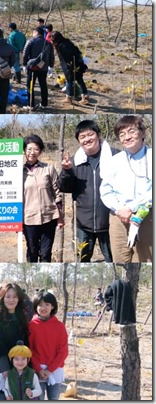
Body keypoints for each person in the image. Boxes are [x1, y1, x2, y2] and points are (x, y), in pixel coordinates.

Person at [57, 120, 118, 262]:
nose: (87, 139)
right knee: (81, 260)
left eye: (90, 134)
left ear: (99, 135)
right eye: (82, 137)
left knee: (114, 260)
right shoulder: (74, 162)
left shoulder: (116, 156)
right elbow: (64, 187)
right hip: (82, 223)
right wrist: (66, 171)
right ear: (78, 141)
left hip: (111, 221)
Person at [100, 115, 152, 263]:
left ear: (142, 133)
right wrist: (119, 209)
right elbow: (105, 190)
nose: (127, 137)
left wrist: (131, 207)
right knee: (120, 260)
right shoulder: (114, 161)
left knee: (147, 259)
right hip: (119, 216)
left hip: (147, 215)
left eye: (131, 131)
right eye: (122, 134)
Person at [23, 134, 63, 262]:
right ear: (24, 151)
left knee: (46, 253)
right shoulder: (17, 171)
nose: (32, 152)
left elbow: (57, 193)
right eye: (29, 149)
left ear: (40, 151)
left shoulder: (49, 169)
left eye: (35, 149)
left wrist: (60, 217)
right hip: (28, 219)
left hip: (48, 217)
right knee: (32, 251)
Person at [0, 283, 29, 400]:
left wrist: (24, 367)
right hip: (2, 367)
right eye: (8, 296)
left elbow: (26, 343)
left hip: (20, 365)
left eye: (15, 296)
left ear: (19, 299)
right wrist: (5, 369)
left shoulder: (22, 317)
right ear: (2, 298)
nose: (11, 300)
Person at [29, 291, 68, 400]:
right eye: (40, 305)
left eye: (47, 304)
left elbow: (63, 351)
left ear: (53, 306)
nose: (43, 308)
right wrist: (38, 369)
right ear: (35, 307)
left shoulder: (59, 326)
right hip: (37, 371)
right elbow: (29, 350)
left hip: (55, 371)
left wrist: (50, 370)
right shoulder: (31, 326)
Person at [51, 31, 89, 105]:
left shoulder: (61, 46)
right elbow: (77, 51)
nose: (52, 40)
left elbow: (68, 57)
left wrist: (69, 67)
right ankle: (85, 96)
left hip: (71, 65)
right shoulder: (67, 42)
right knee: (79, 80)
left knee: (69, 81)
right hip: (77, 64)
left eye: (52, 39)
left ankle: (69, 97)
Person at [22, 26, 54, 111]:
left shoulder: (30, 41)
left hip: (32, 68)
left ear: (36, 32)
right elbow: (51, 56)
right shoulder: (48, 43)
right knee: (43, 85)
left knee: (30, 86)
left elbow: (25, 54)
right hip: (43, 68)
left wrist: (24, 65)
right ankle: (44, 104)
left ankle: (31, 105)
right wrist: (51, 66)